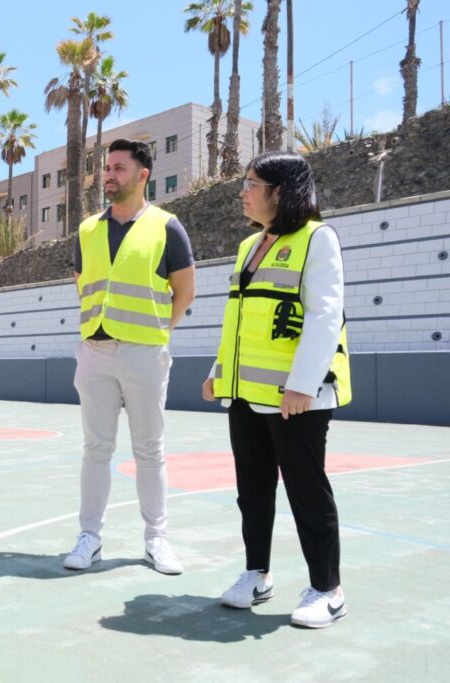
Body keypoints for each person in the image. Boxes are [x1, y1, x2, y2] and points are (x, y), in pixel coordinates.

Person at [203, 150, 352, 629]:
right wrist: (218, 369)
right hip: (246, 393)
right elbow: (241, 320)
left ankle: (328, 588)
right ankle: (257, 573)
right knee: (252, 490)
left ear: (280, 192)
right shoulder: (250, 246)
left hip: (297, 398)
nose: (243, 192)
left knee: (307, 490)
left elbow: (325, 317)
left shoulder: (317, 239)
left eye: (251, 184)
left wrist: (302, 385)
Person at [64, 138, 195, 575]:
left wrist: (158, 334)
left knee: (149, 450)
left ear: (143, 176)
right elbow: (84, 284)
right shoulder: (86, 230)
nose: (109, 175)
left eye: (119, 168)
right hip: (95, 352)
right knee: (95, 448)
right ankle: (90, 538)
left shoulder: (167, 226)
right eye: (107, 168)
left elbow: (186, 291)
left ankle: (156, 538)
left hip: (144, 353)